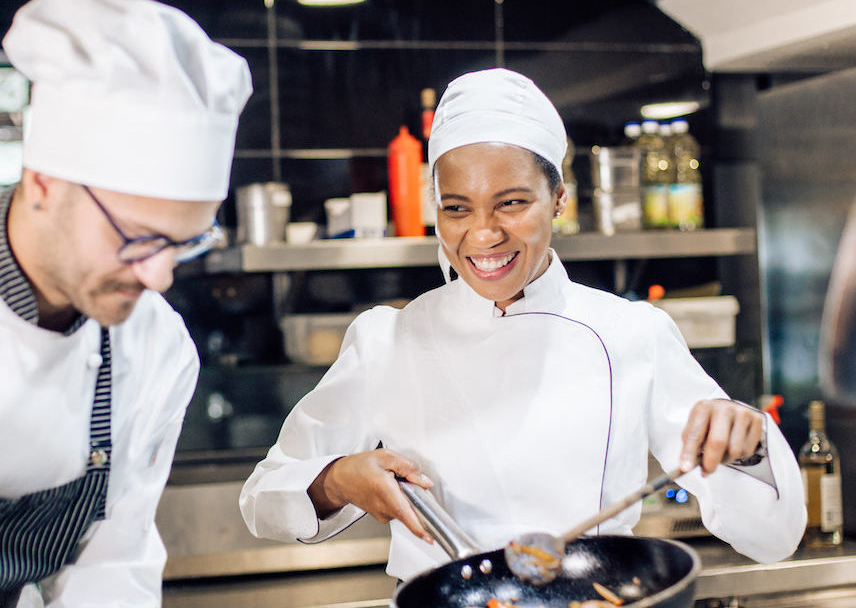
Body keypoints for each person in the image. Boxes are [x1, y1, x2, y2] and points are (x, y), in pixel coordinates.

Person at [239, 68, 806, 582]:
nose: (483, 234)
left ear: (558, 198)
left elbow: (772, 537)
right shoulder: (387, 339)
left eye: (511, 203)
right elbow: (263, 495)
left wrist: (746, 447)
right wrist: (338, 478)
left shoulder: (631, 333)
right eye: (456, 208)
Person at [0, 0, 252, 605]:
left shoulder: (158, 347)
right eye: (137, 238)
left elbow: (113, 563)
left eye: (184, 243)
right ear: (42, 183)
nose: (160, 277)